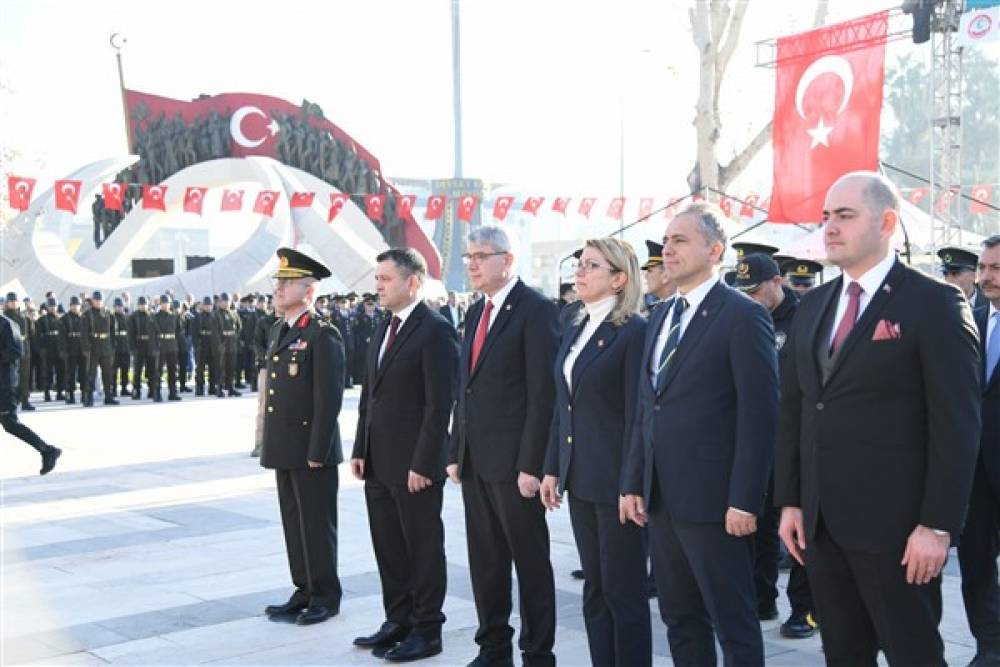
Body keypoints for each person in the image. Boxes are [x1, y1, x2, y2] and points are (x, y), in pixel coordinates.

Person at [775, 172, 981, 666]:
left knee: (914, 655)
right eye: (826, 216)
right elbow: (796, 410)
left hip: (898, 533)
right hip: (822, 530)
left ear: (887, 221)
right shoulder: (815, 305)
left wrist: (937, 525)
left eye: (845, 215)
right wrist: (790, 501)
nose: (829, 227)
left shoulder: (933, 303)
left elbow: (957, 426)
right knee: (844, 655)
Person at [621, 202, 778, 666]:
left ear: (715, 250)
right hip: (663, 500)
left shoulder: (742, 315)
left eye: (680, 240)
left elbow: (760, 414)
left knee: (732, 622)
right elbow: (645, 409)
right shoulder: (661, 314)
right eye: (667, 240)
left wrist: (746, 499)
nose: (668, 249)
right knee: (679, 617)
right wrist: (633, 481)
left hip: (716, 503)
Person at [447, 225, 559, 667]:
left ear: (507, 260)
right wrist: (455, 452)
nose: (471, 264)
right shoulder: (476, 312)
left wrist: (532, 464)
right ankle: (493, 648)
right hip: (476, 461)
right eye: (468, 257)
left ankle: (537, 652)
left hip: (516, 465)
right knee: (486, 561)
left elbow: (542, 393)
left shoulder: (535, 309)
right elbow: (465, 388)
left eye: (480, 256)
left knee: (529, 562)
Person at [539, 237, 651, 667]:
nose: (579, 273)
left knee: (624, 592)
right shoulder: (577, 326)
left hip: (617, 484)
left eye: (591, 266)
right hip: (581, 478)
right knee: (595, 589)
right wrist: (552, 468)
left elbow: (638, 418)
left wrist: (632, 483)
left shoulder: (634, 332)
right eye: (579, 265)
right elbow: (561, 407)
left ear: (620, 278)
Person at [351, 248, 459, 662]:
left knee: (422, 547)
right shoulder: (384, 327)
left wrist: (425, 462)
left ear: (412, 282)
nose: (378, 285)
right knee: (389, 545)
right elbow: (369, 396)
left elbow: (439, 404)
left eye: (386, 279)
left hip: (415, 464)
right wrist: (361, 448)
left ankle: (428, 629)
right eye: (376, 278)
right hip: (379, 460)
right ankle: (397, 620)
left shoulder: (434, 330)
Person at [732, 253, 817, 639]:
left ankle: (804, 609)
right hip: (762, 439)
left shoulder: (805, 316)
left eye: (756, 290)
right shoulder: (744, 316)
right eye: (743, 291)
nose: (750, 297)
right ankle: (761, 598)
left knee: (800, 525)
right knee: (760, 523)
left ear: (777, 282)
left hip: (800, 439)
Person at [261, 247, 346, 626]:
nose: (278, 288)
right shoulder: (281, 329)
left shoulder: (322, 334)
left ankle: (325, 594)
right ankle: (304, 587)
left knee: (316, 524)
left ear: (308, 290)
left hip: (312, 449)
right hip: (285, 446)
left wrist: (319, 450)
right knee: (293, 522)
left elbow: (328, 400)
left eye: (286, 282)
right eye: (278, 282)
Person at [962, 235, 1000, 667]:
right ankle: (989, 645)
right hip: (972, 468)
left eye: (996, 268)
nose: (986, 276)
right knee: (975, 562)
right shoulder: (967, 321)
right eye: (984, 267)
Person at [1, 312, 60, 475]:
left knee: (10, 423)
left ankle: (48, 451)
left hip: (4, 385)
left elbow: (16, 351)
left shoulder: (7, 324)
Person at [82, 291, 118, 407]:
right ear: (92, 301)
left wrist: (112, 345)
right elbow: (84, 333)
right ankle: (89, 397)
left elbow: (113, 331)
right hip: (93, 346)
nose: (98, 302)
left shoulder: (108, 314)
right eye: (96, 300)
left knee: (107, 373)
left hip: (106, 346)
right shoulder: (87, 315)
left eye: (100, 300)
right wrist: (86, 348)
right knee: (91, 373)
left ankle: (108, 396)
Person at [4, 293, 36, 411]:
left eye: (15, 301)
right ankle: (13, 400)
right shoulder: (5, 317)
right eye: (11, 301)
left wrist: (31, 319)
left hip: (24, 348)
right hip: (11, 350)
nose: (13, 303)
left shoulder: (24, 317)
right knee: (11, 377)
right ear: (7, 303)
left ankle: (25, 400)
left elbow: (32, 333)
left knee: (25, 376)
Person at [152, 295, 183, 402]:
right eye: (163, 303)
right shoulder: (155, 317)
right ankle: (157, 393)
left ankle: (173, 392)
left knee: (172, 370)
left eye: (167, 303)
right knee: (158, 371)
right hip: (161, 345)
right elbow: (152, 334)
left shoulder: (174, 316)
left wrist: (177, 345)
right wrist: (154, 347)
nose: (166, 305)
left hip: (172, 345)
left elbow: (179, 331)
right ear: (160, 304)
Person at [61, 296, 89, 405]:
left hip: (82, 349)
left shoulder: (85, 318)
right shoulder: (64, 319)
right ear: (70, 306)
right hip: (70, 349)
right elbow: (62, 337)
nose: (75, 307)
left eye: (77, 305)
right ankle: (70, 394)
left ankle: (84, 394)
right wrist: (63, 350)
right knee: (70, 373)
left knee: (84, 373)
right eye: (73, 305)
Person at [37, 298, 65, 402]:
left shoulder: (61, 319)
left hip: (59, 349)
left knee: (60, 371)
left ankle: (59, 392)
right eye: (51, 306)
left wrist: (63, 349)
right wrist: (41, 349)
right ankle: (47, 393)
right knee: (47, 372)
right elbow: (38, 336)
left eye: (54, 306)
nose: (53, 308)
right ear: (47, 307)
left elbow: (64, 336)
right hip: (47, 349)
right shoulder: (41, 320)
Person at [193, 297, 221, 396]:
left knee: (213, 367)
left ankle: (212, 387)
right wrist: (196, 345)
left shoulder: (215, 316)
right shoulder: (198, 317)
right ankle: (199, 388)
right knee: (200, 368)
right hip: (202, 343)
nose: (208, 307)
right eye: (206, 305)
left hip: (212, 343)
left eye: (210, 305)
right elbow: (194, 333)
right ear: (203, 306)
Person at [215, 293, 241, 397]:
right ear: (220, 302)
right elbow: (215, 332)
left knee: (231, 366)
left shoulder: (234, 313)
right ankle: (219, 388)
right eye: (224, 301)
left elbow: (239, 327)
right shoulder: (216, 314)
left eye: (228, 301)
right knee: (220, 367)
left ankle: (231, 387)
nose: (226, 303)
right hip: (221, 343)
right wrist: (218, 345)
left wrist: (235, 339)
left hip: (232, 343)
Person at [641, 239, 675, 312]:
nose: (645, 275)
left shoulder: (679, 310)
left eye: (650, 271)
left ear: (666, 275)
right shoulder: (654, 311)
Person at [110, 298, 131, 397]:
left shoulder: (127, 317)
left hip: (125, 346)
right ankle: (113, 389)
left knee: (125, 369)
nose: (119, 308)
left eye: (121, 306)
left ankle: (124, 388)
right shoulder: (111, 317)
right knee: (113, 370)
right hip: (115, 347)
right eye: (117, 306)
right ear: (114, 307)